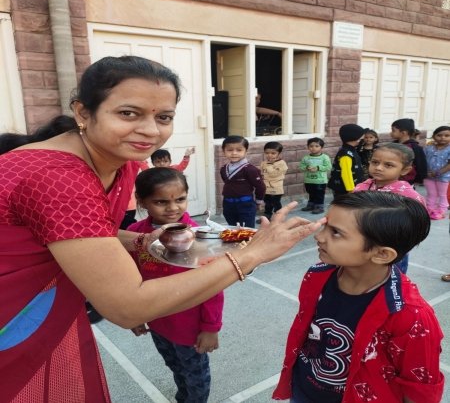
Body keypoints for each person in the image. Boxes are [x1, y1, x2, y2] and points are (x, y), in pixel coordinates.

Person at [0, 55, 325, 402]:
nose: (151, 131)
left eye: (164, 117)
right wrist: (252, 255)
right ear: (83, 112)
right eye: (129, 113)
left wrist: (143, 241)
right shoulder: (59, 177)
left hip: (48, 305)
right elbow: (127, 306)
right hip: (15, 312)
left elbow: (78, 232)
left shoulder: (120, 161)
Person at [273, 192, 444, 403]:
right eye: (325, 226)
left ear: (382, 254)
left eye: (336, 232)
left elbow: (419, 390)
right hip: (305, 389)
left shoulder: (411, 315)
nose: (319, 237)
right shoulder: (317, 275)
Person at [127, 168, 223, 403]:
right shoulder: (133, 235)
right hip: (157, 321)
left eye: (180, 199)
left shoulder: (200, 238)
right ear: (142, 201)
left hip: (190, 327)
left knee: (196, 376)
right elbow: (129, 278)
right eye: (161, 202)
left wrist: (211, 327)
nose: (173, 208)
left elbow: (213, 285)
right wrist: (135, 315)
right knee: (174, 366)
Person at [354, 143, 426, 273]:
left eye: (388, 165)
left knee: (389, 278)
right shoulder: (361, 187)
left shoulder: (409, 196)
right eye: (375, 162)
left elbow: (417, 226)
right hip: (361, 244)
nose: (378, 168)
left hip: (391, 249)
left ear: (405, 170)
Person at [220, 135, 266, 228]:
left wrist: (258, 201)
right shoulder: (223, 169)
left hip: (245, 204)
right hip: (228, 204)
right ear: (224, 151)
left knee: (247, 230)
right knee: (232, 228)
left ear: (246, 151)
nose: (234, 153)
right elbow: (228, 183)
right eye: (230, 150)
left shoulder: (250, 169)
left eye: (239, 150)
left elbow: (260, 187)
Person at [327, 123, 365, 196]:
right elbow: (346, 172)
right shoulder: (346, 154)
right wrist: (351, 189)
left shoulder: (351, 150)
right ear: (355, 138)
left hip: (352, 187)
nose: (362, 140)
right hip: (344, 190)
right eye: (361, 139)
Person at [299, 137, 332, 214]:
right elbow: (301, 167)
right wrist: (306, 167)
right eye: (311, 146)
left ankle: (319, 207)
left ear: (321, 147)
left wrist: (318, 168)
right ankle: (311, 205)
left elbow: (328, 167)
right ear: (308, 147)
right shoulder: (306, 158)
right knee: (311, 193)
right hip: (308, 180)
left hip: (320, 181)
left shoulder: (324, 157)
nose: (313, 148)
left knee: (319, 194)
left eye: (317, 146)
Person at [423, 125, 450, 220]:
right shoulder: (428, 148)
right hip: (428, 176)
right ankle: (429, 209)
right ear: (434, 136)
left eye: (447, 135)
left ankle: (441, 211)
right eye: (439, 135)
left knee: (442, 195)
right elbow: (423, 160)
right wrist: (425, 172)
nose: (443, 138)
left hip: (443, 177)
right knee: (431, 194)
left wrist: (438, 172)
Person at [390, 118, 427, 185]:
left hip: (407, 180)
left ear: (403, 133)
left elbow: (420, 164)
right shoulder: (392, 146)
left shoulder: (415, 147)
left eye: (393, 130)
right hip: (391, 177)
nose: (391, 133)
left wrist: (419, 179)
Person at [260, 141, 288, 221]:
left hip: (276, 187)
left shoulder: (281, 163)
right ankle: (267, 215)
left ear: (279, 153)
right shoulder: (264, 163)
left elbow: (274, 174)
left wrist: (271, 165)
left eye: (273, 153)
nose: (269, 155)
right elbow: (261, 173)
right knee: (267, 202)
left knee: (275, 203)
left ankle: (279, 216)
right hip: (266, 187)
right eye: (267, 153)